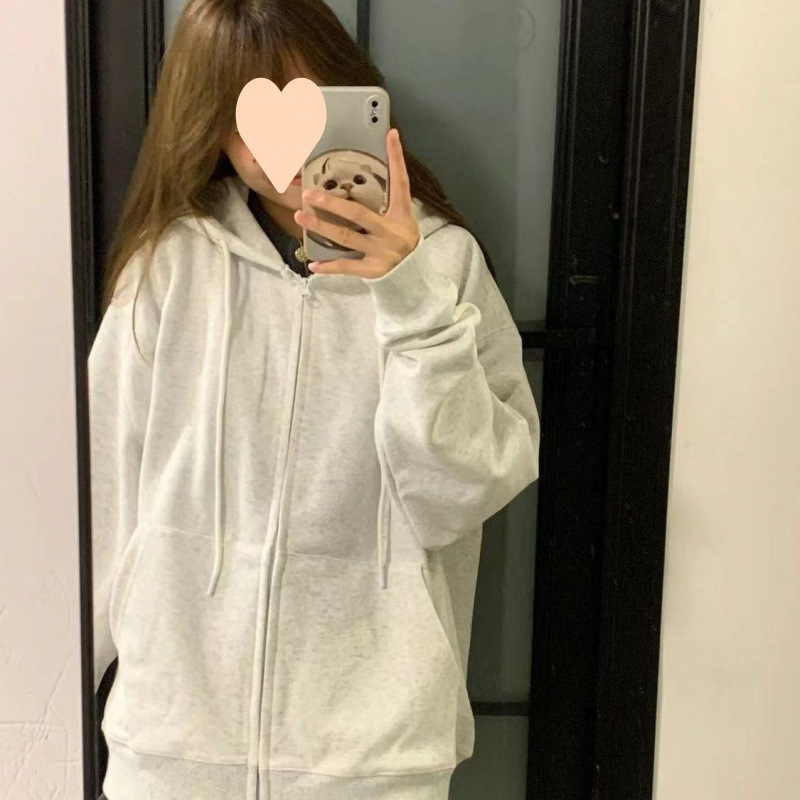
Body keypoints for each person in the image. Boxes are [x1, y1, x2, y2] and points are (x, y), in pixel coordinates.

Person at [88, 1, 541, 798]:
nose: (287, 147)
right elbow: (103, 495)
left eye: (313, 106)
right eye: (251, 117)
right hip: (174, 746)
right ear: (210, 124)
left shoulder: (445, 266)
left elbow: (462, 492)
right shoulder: (168, 268)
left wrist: (409, 297)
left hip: (374, 758)